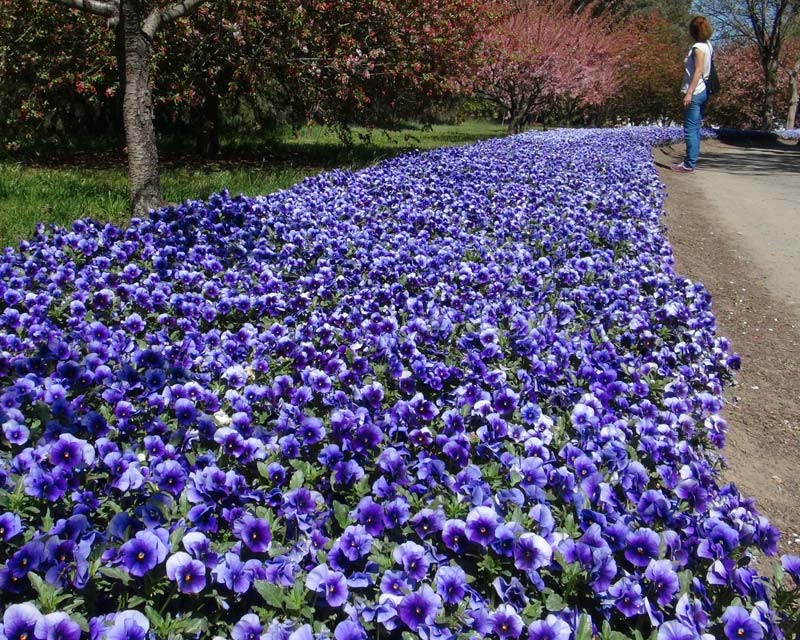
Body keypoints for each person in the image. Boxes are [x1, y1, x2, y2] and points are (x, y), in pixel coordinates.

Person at [672, 16, 713, 173]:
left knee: (690, 129)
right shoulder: (708, 45)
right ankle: (690, 161)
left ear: (693, 31)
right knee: (695, 128)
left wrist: (689, 93)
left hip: (696, 91)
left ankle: (689, 164)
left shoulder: (697, 48)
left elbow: (698, 70)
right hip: (703, 91)